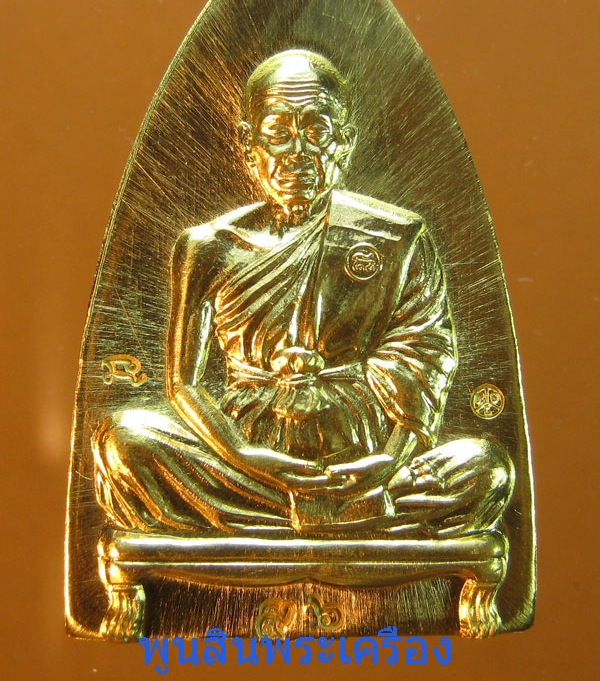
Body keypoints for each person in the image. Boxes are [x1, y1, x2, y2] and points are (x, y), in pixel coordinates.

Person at [93, 50, 513, 536]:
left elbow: (426, 358)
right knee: (124, 441)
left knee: (485, 468)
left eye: (317, 131)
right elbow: (183, 385)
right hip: (243, 459)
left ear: (345, 142)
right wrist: (247, 456)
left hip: (360, 453)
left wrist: (387, 461)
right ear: (249, 145)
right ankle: (336, 518)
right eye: (279, 132)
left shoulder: (396, 237)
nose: (298, 152)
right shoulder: (207, 246)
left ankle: (304, 513)